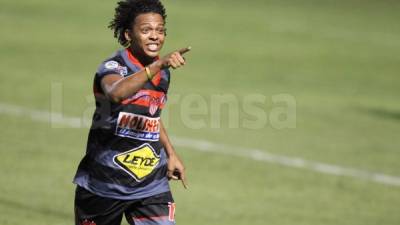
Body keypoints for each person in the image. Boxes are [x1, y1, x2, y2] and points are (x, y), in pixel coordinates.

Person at [73, 0, 190, 224]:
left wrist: (170, 153)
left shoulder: (162, 72)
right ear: (128, 34)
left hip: (150, 183)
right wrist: (158, 65)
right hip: (104, 183)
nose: (155, 36)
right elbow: (116, 93)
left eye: (160, 30)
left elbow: (151, 116)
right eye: (146, 30)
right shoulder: (113, 67)